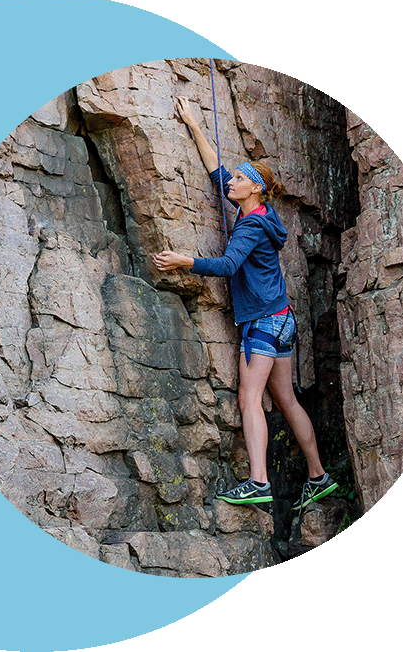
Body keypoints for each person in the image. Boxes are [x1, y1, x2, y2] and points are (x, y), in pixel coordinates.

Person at [152, 96, 337, 511]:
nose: (229, 181)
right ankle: (318, 476)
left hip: (262, 325)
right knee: (286, 400)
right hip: (282, 321)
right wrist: (195, 125)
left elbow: (229, 263)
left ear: (254, 187)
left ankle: (258, 482)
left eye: (238, 178)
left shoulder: (251, 225)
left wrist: (185, 261)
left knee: (249, 400)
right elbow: (217, 172)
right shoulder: (261, 212)